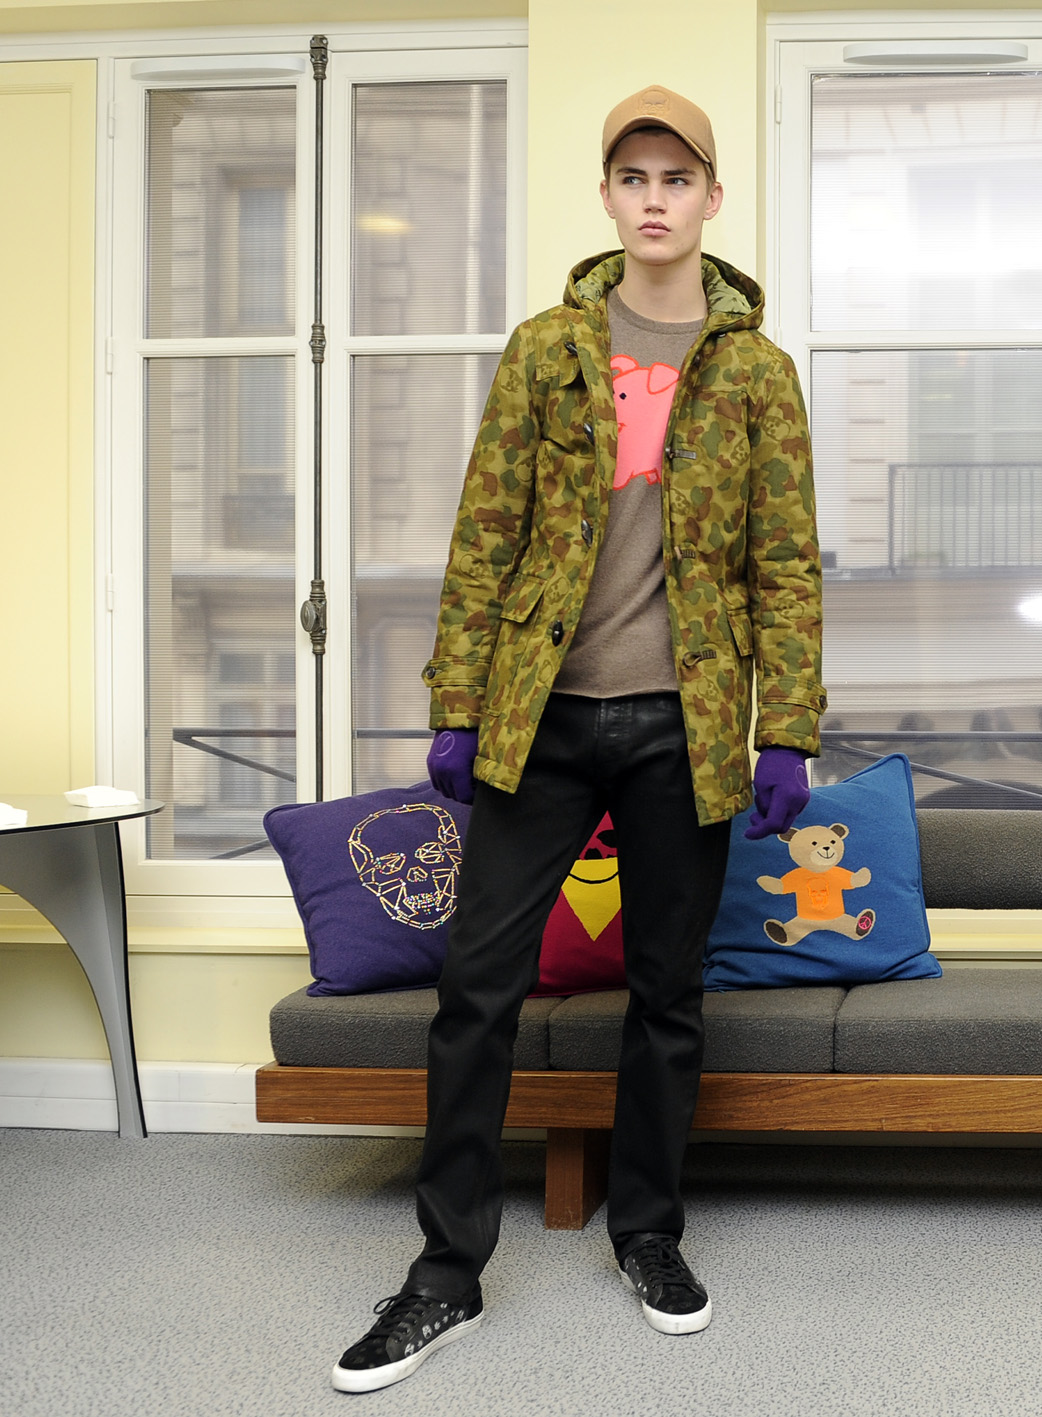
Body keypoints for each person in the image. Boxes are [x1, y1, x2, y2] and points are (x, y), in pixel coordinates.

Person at [331, 84, 826, 1394]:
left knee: (667, 996)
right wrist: (456, 701)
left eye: (678, 177)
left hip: (684, 728)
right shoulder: (545, 349)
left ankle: (648, 1232)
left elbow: (785, 564)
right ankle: (444, 1273)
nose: (655, 198)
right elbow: (485, 530)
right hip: (538, 721)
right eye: (633, 177)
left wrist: (786, 732)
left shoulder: (758, 373)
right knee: (475, 989)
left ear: (711, 197)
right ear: (607, 196)